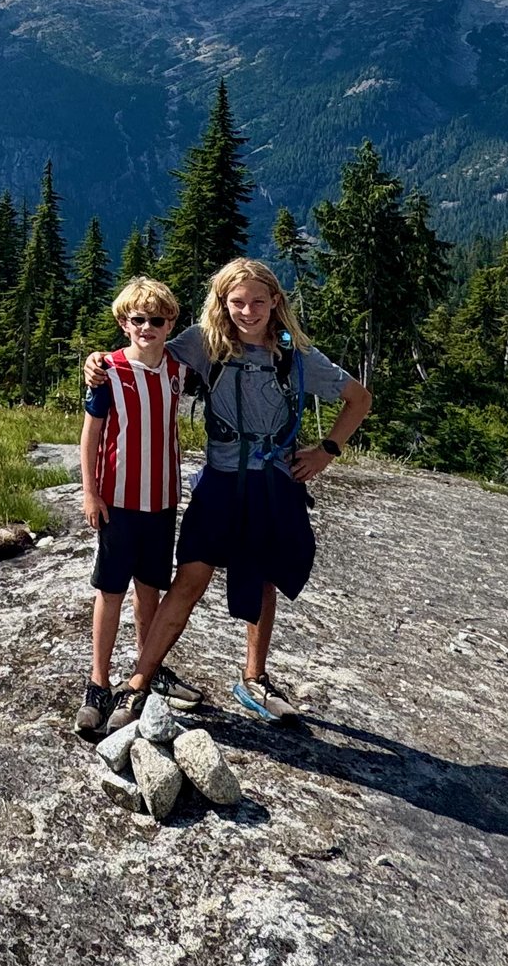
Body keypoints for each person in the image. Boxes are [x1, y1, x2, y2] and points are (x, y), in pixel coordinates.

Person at [85, 256, 370, 726]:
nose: (248, 311)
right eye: (237, 301)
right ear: (223, 302)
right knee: (190, 578)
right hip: (220, 481)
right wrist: (98, 363)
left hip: (273, 482)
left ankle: (254, 678)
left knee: (262, 577)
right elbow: (144, 350)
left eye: (258, 301)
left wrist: (326, 451)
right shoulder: (203, 343)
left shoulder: (295, 355)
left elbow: (359, 398)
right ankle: (140, 681)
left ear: (275, 302)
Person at [74, 277, 194, 735]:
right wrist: (90, 491)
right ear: (124, 323)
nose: (147, 327)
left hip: (161, 502)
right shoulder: (108, 371)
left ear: (170, 325)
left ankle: (148, 672)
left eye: (157, 320)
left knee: (151, 591)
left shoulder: (178, 369)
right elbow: (92, 434)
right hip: (119, 502)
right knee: (110, 591)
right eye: (138, 319)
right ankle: (98, 683)